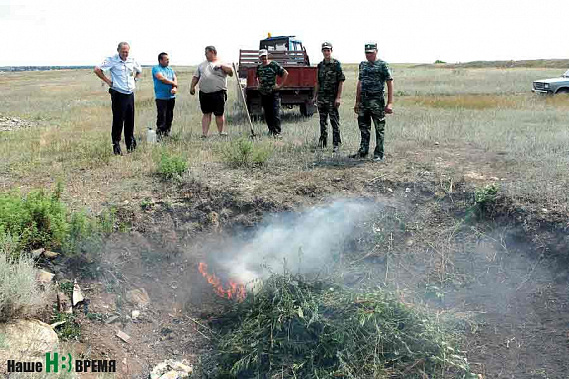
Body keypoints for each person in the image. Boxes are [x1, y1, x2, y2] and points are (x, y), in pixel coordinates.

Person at [94, 42, 142, 155]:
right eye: (123, 52)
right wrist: (108, 82)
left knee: (130, 120)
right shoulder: (111, 60)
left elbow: (139, 70)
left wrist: (135, 80)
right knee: (118, 121)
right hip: (118, 94)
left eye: (127, 52)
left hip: (130, 93)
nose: (125, 54)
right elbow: (97, 70)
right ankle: (116, 147)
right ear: (118, 50)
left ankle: (131, 145)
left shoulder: (132, 59)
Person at [351, 42, 394, 161]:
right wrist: (357, 101)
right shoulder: (363, 65)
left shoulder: (382, 65)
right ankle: (363, 151)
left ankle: (379, 153)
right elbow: (360, 83)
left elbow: (389, 82)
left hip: (377, 100)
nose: (368, 55)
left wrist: (390, 103)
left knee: (379, 128)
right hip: (364, 101)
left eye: (371, 53)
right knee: (363, 127)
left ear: (376, 52)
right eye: (367, 53)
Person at [190, 46, 233, 138]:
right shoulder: (201, 65)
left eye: (207, 53)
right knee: (206, 113)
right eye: (205, 53)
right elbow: (196, 77)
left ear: (213, 52)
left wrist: (221, 66)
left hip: (218, 92)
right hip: (204, 93)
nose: (205, 55)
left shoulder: (222, 62)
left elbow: (231, 72)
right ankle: (204, 134)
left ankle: (221, 132)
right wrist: (192, 87)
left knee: (219, 113)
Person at [313, 42, 345, 152]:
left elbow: (341, 81)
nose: (326, 52)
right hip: (322, 98)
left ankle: (336, 144)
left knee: (334, 122)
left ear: (331, 51)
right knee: (322, 121)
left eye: (328, 50)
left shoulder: (336, 64)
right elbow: (318, 82)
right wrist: (315, 96)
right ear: (322, 51)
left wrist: (338, 97)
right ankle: (323, 143)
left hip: (332, 98)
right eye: (324, 50)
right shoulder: (320, 65)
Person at [256, 49, 288, 137]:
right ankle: (271, 130)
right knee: (267, 113)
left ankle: (277, 132)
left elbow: (285, 73)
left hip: (273, 93)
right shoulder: (259, 67)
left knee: (275, 113)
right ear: (259, 57)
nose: (263, 58)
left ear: (267, 56)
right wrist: (258, 84)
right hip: (263, 93)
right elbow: (257, 77)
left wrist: (280, 86)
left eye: (264, 56)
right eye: (261, 57)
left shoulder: (273, 64)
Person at [152, 52, 177, 139]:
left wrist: (175, 87)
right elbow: (161, 78)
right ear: (160, 60)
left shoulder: (170, 69)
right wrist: (173, 83)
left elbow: (175, 78)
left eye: (168, 60)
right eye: (166, 60)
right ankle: (160, 135)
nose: (168, 61)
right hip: (161, 97)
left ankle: (167, 134)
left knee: (169, 116)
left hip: (171, 97)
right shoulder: (156, 68)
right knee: (162, 116)